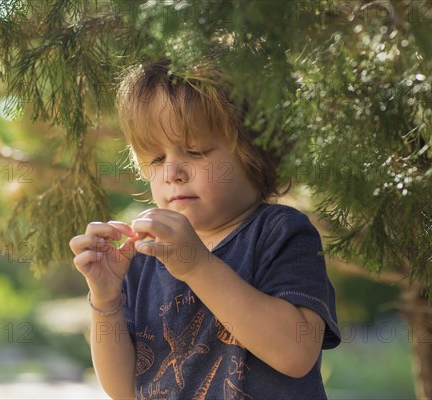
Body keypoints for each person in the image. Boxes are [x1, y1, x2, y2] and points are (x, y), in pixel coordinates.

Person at [69, 59, 340, 399]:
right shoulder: (143, 255)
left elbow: (295, 353)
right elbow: (123, 389)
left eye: (194, 151)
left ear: (255, 153)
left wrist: (197, 266)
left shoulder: (279, 232)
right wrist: (105, 299)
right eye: (155, 159)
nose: (172, 172)